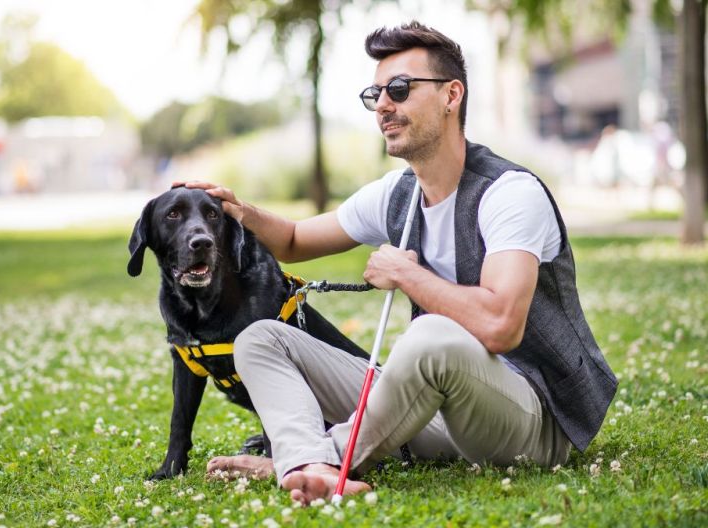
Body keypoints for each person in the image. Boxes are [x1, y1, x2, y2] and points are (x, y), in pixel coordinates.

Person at [187, 21, 617, 505]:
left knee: (429, 335)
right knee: (260, 339)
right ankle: (309, 464)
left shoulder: (510, 194)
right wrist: (242, 213)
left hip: (531, 422)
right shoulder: (398, 193)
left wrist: (407, 274)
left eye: (400, 89)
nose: (384, 105)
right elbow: (291, 239)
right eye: (376, 93)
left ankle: (314, 458)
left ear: (451, 95)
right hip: (434, 410)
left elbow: (501, 326)